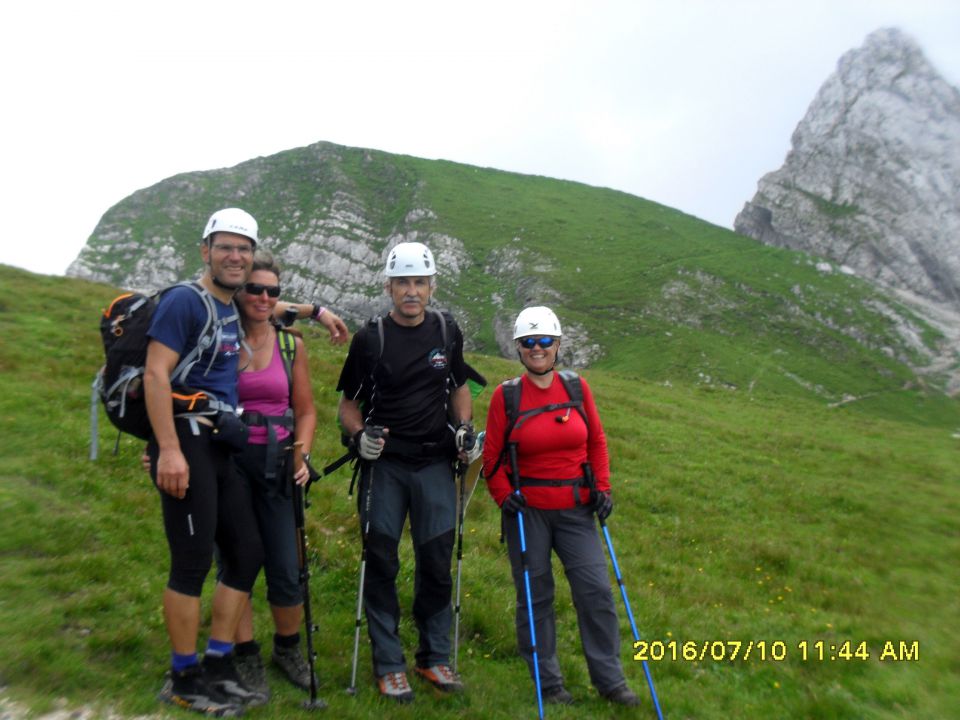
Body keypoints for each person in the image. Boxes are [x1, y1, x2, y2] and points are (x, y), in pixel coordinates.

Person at [336, 241, 476, 702]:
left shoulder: (446, 329)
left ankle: (434, 658)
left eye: (419, 282)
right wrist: (359, 438)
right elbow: (348, 405)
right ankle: (389, 664)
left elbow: (458, 386)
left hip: (436, 463)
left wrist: (464, 430)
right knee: (381, 561)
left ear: (431, 286)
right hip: (386, 467)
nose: (411, 291)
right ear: (389, 287)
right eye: (403, 283)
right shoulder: (370, 338)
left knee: (437, 562)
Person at [482, 306, 641, 707]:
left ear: (557, 345)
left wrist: (602, 489)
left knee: (596, 593)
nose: (537, 349)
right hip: (527, 513)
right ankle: (549, 684)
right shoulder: (507, 396)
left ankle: (610, 681)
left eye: (544, 342)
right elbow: (491, 460)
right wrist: (505, 497)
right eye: (528, 343)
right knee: (536, 597)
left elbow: (597, 442)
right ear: (518, 348)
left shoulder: (576, 388)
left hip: (577, 508)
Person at [145, 207, 268, 715]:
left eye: (243, 248)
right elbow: (156, 374)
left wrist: (314, 313)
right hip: (186, 442)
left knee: (246, 553)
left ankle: (218, 663)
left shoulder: (226, 305)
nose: (235, 256)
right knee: (192, 563)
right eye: (225, 247)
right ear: (206, 251)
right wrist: (167, 451)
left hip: (219, 444)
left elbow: (271, 310)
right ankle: (182, 676)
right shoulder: (183, 302)